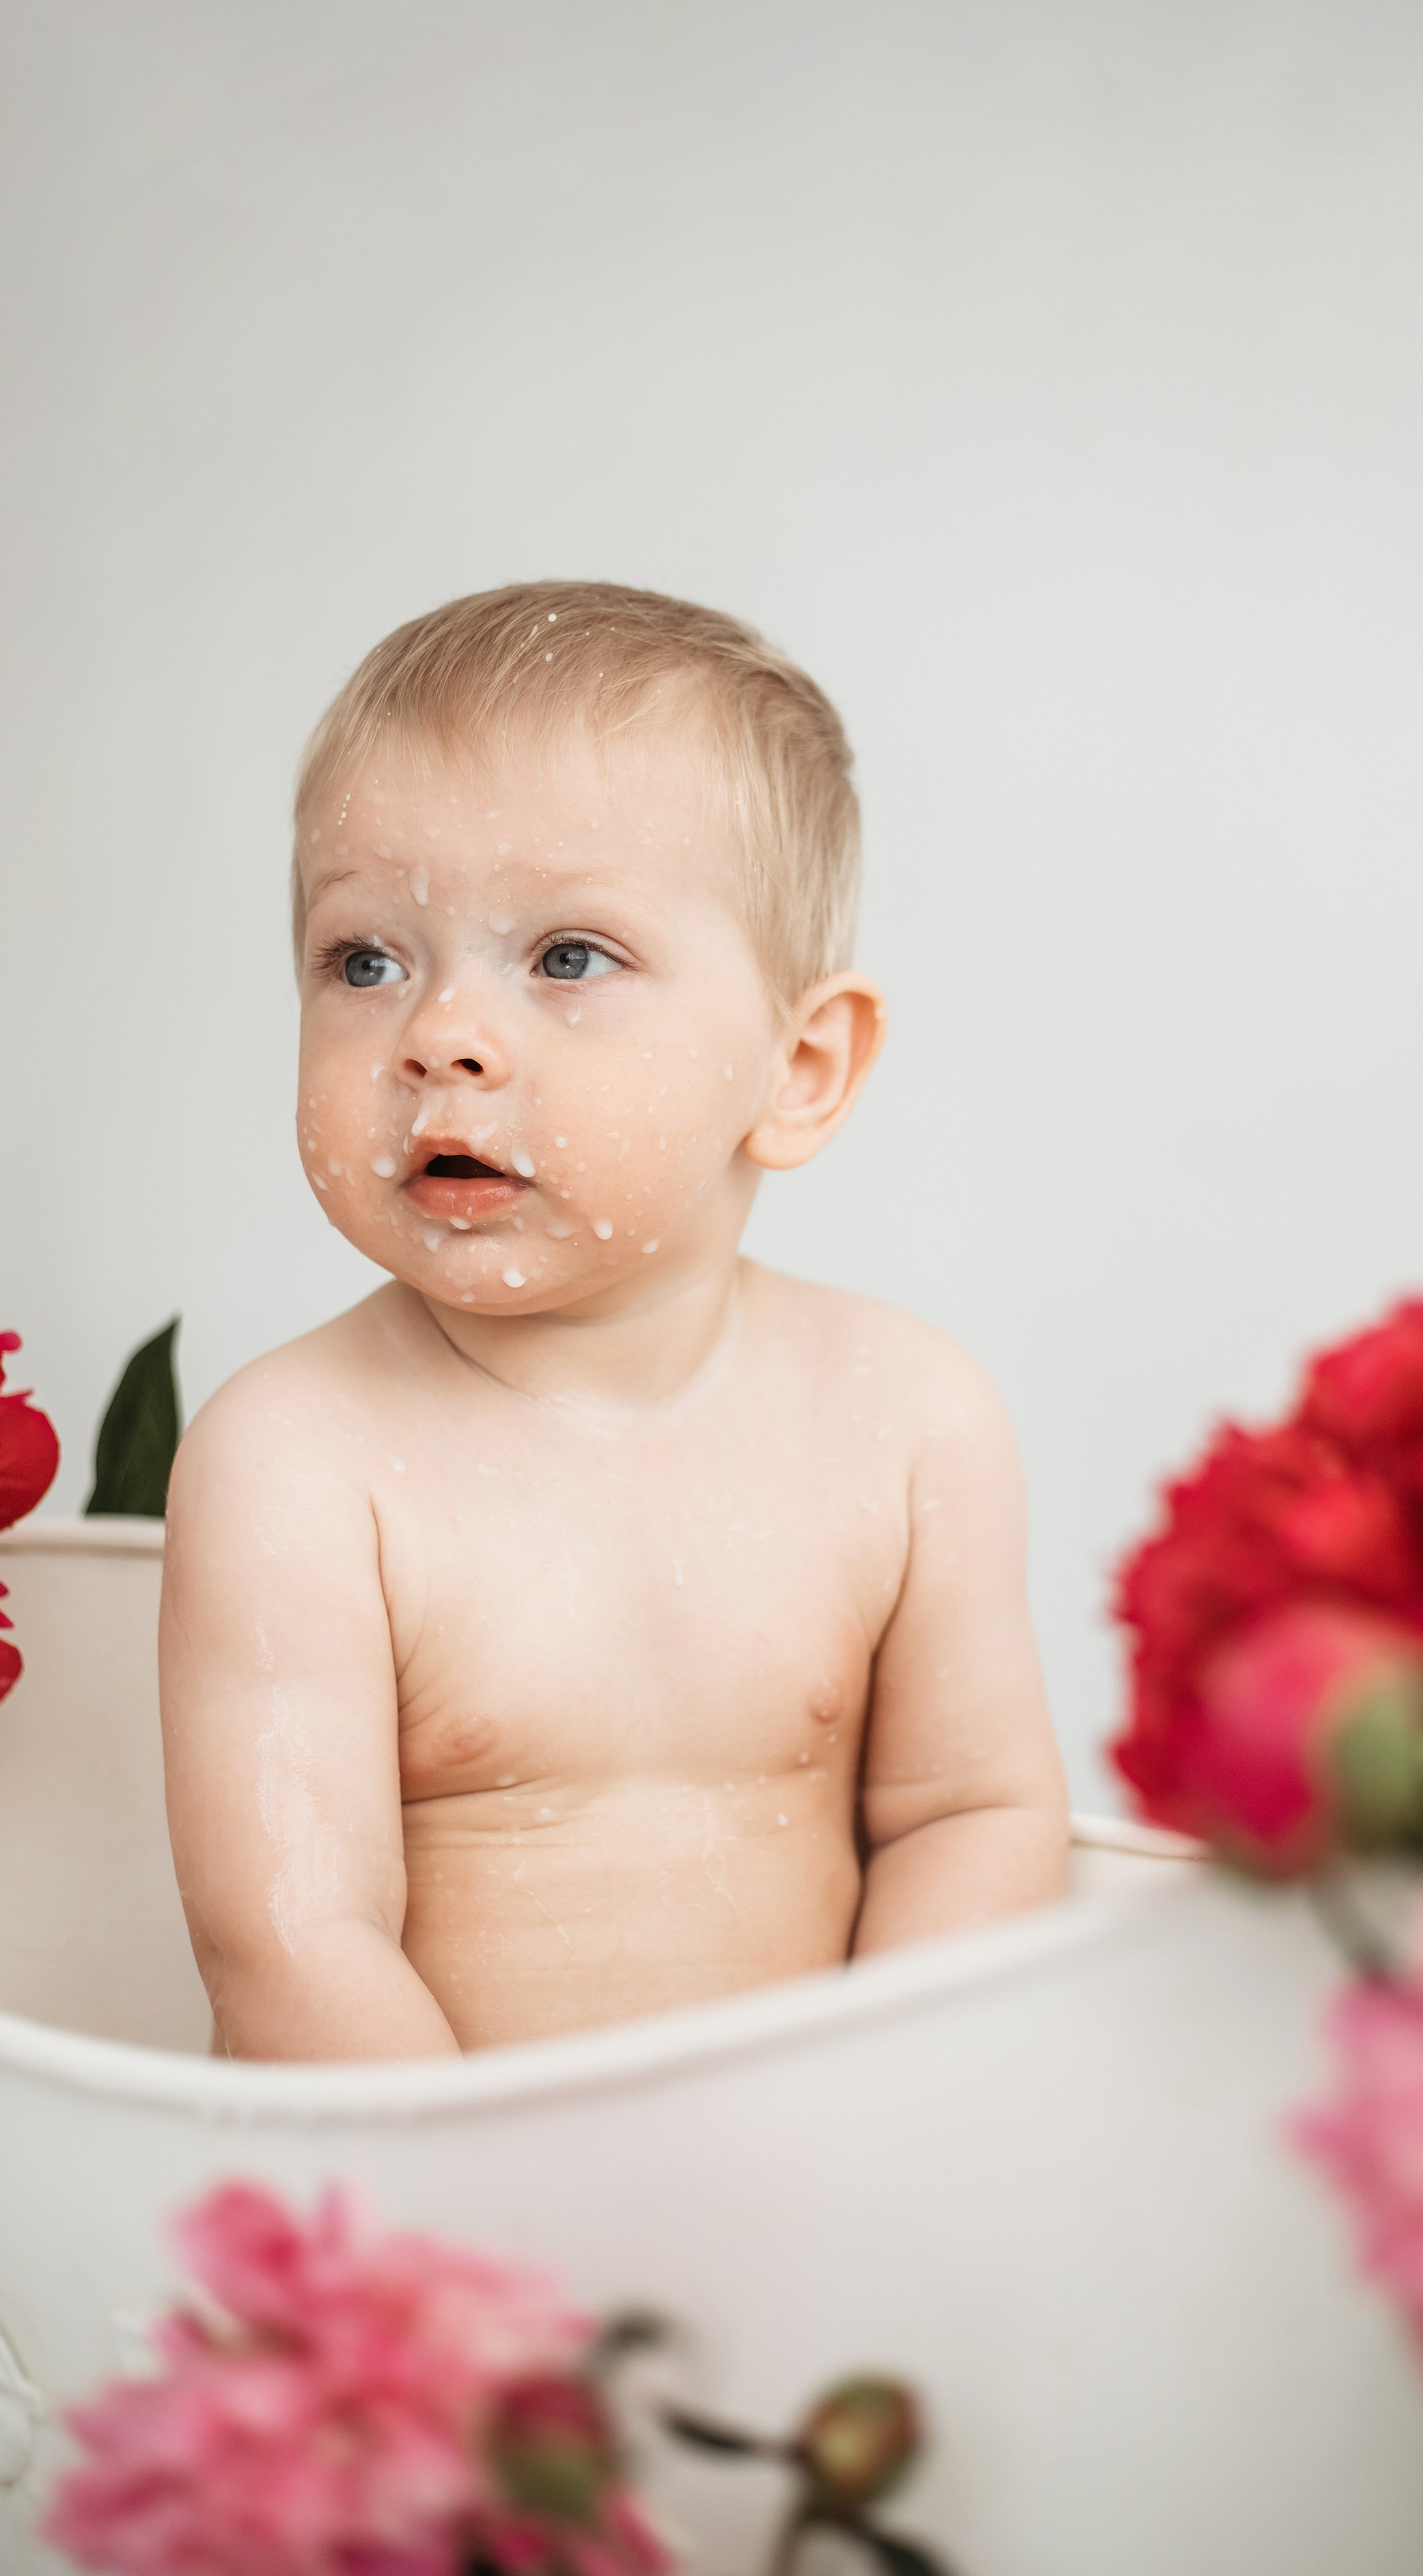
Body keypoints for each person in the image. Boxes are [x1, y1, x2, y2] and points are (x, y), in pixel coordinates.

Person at [161, 582, 1070, 2059]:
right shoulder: (294, 1464)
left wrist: (871, 2134)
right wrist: (466, 2264)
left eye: (566, 957)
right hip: (434, 2231)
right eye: (365, 959)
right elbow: (285, 1945)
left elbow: (972, 1817)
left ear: (799, 1069)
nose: (438, 1034)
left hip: (805, 2213)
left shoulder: (907, 1422)